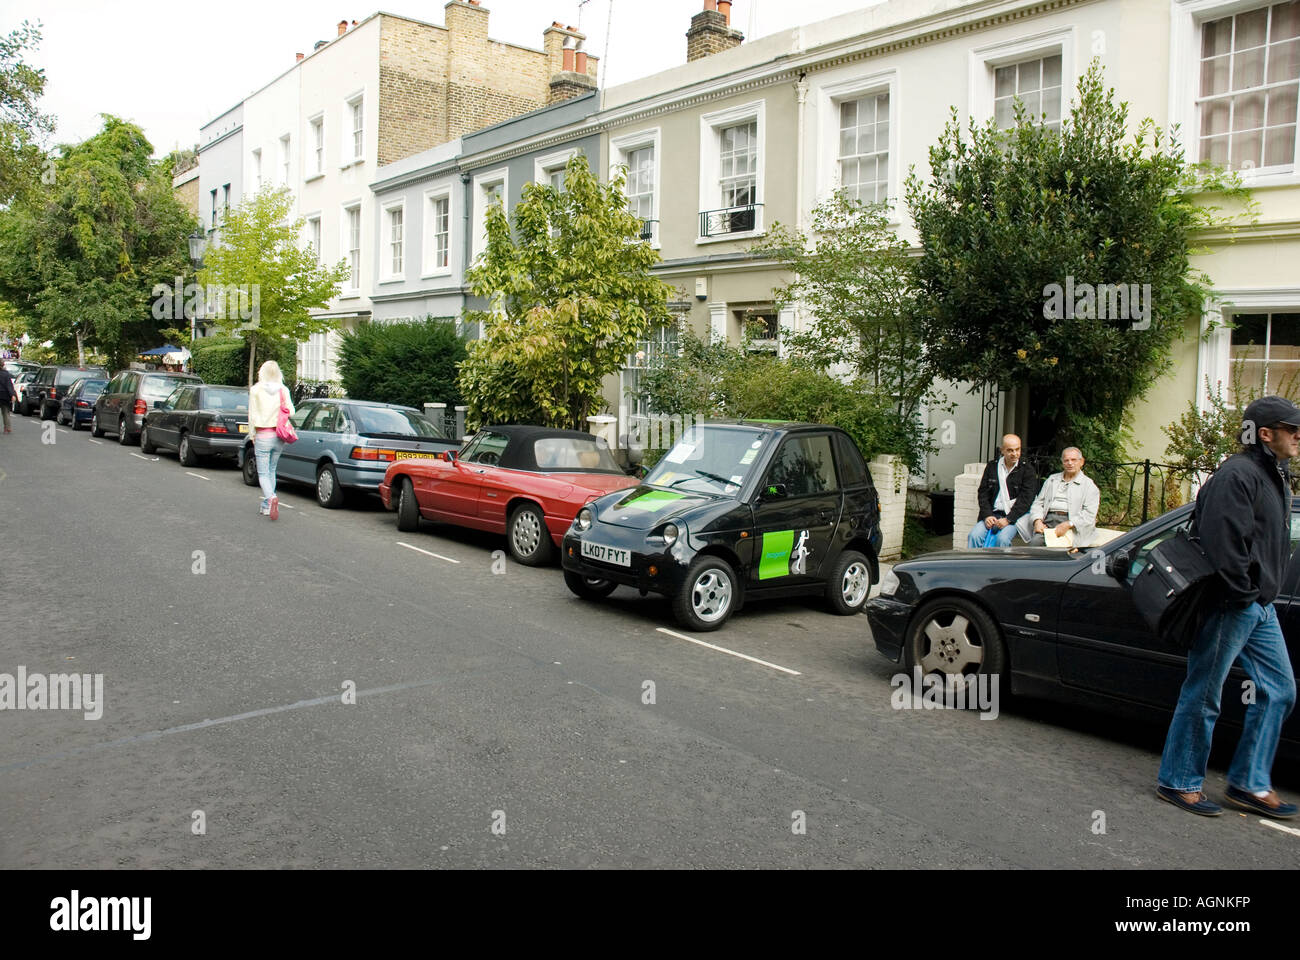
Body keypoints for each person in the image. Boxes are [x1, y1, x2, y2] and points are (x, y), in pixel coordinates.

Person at [1155, 395, 1299, 819]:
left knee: (1279, 690)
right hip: (1232, 603)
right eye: (1291, 429)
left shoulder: (1272, 472)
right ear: (1266, 434)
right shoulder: (1238, 474)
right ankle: (1178, 781)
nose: (1298, 435)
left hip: (1259, 605)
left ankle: (1248, 783)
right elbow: (1223, 543)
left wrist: (1258, 596)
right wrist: (1244, 594)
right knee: (1204, 693)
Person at [966, 434, 1037, 548]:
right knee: (974, 536)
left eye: (1017, 449)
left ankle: (1000, 566)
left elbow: (1026, 499)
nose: (1015, 454)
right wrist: (987, 515)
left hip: (1014, 517)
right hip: (992, 513)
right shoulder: (992, 467)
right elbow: (983, 493)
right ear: (1002, 450)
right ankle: (975, 565)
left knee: (1002, 540)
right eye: (1010, 450)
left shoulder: (1027, 469)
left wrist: (1008, 519)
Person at [1020, 447, 1100, 547]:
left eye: (1073, 460)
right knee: (1035, 545)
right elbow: (1038, 503)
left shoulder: (1089, 485)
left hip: (1072, 525)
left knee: (1063, 552)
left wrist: (1068, 524)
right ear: (1062, 462)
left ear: (1081, 462)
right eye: (1066, 460)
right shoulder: (1052, 479)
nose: (1070, 463)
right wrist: (1037, 520)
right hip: (1047, 522)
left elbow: (1089, 515)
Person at [247, 360, 294, 519]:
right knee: (272, 469)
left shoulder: (256, 390)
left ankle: (271, 498)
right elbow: (292, 412)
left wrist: (252, 434)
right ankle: (267, 505)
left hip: (263, 435)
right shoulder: (283, 390)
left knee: (263, 472)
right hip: (279, 436)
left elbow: (252, 415)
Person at [0, 365, 14, 433]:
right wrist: (12, 395)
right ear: (3, 365)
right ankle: (7, 427)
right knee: (5, 412)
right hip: (4, 395)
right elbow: (9, 385)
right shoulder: (6, 374)